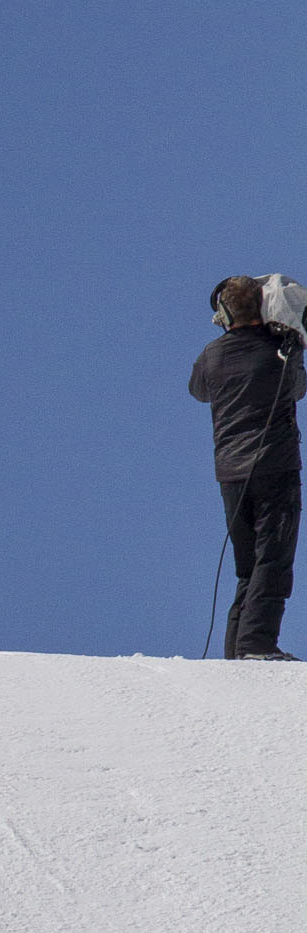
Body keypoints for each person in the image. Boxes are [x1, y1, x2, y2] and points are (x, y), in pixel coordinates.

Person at [190, 275, 306, 661]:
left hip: (231, 475)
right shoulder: (279, 350)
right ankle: (256, 644)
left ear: (224, 314)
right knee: (272, 558)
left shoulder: (211, 355)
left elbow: (199, 390)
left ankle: (238, 650)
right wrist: (294, 341)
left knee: (247, 566)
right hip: (275, 467)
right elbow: (298, 389)